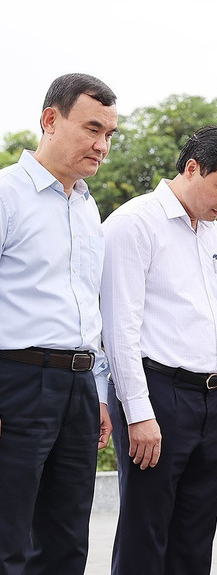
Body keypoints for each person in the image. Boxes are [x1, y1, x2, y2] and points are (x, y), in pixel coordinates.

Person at [101, 126, 217, 575]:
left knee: (195, 538)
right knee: (145, 535)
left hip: (209, 400)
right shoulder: (133, 223)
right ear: (191, 168)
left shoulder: (216, 237)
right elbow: (119, 328)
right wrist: (138, 412)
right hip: (156, 394)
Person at [0, 73, 116, 574]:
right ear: (51, 120)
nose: (102, 145)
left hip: (78, 386)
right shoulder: (7, 194)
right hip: (17, 381)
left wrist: (98, 389)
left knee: (68, 538)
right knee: (7, 537)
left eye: (110, 134)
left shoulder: (88, 207)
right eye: (93, 128)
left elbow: (87, 310)